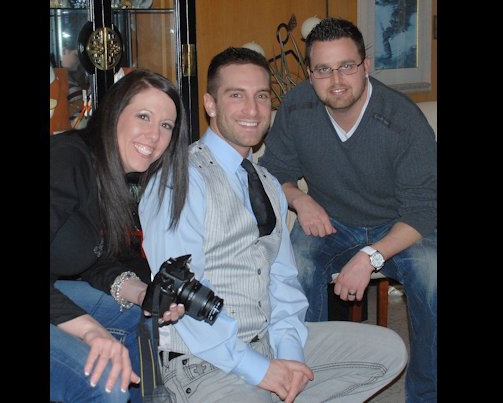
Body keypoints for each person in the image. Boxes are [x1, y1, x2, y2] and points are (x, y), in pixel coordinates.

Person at [139, 46, 407, 403]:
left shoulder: (268, 183)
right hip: (203, 358)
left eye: (262, 96)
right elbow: (180, 295)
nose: (252, 110)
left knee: (387, 351)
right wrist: (258, 369)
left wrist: (290, 355)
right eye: (237, 95)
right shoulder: (180, 179)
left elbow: (282, 282)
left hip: (265, 341)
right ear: (210, 104)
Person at [258, 17, 437, 403]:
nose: (336, 80)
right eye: (323, 69)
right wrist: (300, 199)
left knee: (434, 275)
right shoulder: (298, 107)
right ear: (310, 75)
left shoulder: (402, 119)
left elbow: (425, 210)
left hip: (399, 225)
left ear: (366, 67)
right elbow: (273, 171)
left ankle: (427, 393)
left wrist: (370, 256)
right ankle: (310, 385)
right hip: (332, 219)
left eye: (346, 66)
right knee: (294, 268)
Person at [50, 69, 191, 402]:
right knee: (108, 386)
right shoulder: (67, 159)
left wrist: (142, 293)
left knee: (137, 317)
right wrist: (89, 329)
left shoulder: (110, 175)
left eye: (166, 125)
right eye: (144, 116)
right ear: (115, 113)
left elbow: (90, 258)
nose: (154, 135)